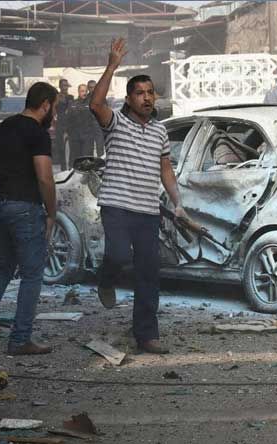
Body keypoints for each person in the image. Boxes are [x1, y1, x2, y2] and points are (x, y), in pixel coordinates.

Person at [89, 38, 187, 354]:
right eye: (140, 93)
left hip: (147, 210)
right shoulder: (115, 122)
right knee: (119, 255)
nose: (146, 98)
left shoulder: (160, 131)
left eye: (150, 92)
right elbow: (95, 105)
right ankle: (106, 279)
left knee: (148, 273)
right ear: (129, 99)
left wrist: (178, 203)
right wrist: (112, 65)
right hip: (116, 205)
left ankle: (146, 335)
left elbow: (166, 170)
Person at [0, 82, 58, 356]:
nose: (55, 113)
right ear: (45, 105)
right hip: (25, 209)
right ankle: (20, 340)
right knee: (32, 275)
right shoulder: (38, 134)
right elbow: (45, 177)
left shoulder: (4, 127)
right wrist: (51, 212)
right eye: (55, 107)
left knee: (1, 269)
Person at [67, 84, 95, 166]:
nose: (84, 93)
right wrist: (68, 133)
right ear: (78, 92)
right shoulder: (72, 103)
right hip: (75, 136)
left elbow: (94, 120)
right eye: (82, 91)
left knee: (87, 160)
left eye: (86, 91)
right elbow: (68, 120)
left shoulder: (91, 103)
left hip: (87, 136)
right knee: (75, 159)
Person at [54, 78, 74, 170]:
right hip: (60, 124)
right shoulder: (56, 97)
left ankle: (70, 167)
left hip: (70, 124)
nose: (65, 88)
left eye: (66, 85)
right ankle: (63, 168)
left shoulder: (71, 97)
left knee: (72, 146)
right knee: (61, 147)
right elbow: (54, 110)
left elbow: (71, 110)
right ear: (60, 86)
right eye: (63, 85)